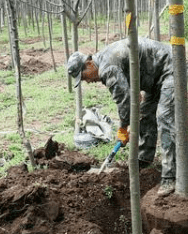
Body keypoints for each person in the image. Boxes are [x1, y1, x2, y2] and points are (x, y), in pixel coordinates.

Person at [66, 37, 178, 197]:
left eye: (84, 77)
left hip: (171, 69)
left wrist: (123, 128)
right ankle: (144, 159)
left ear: (89, 64)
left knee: (164, 118)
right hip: (154, 77)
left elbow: (124, 100)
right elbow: (129, 93)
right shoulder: (104, 61)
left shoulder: (107, 68)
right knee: (145, 113)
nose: (87, 81)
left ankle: (170, 176)